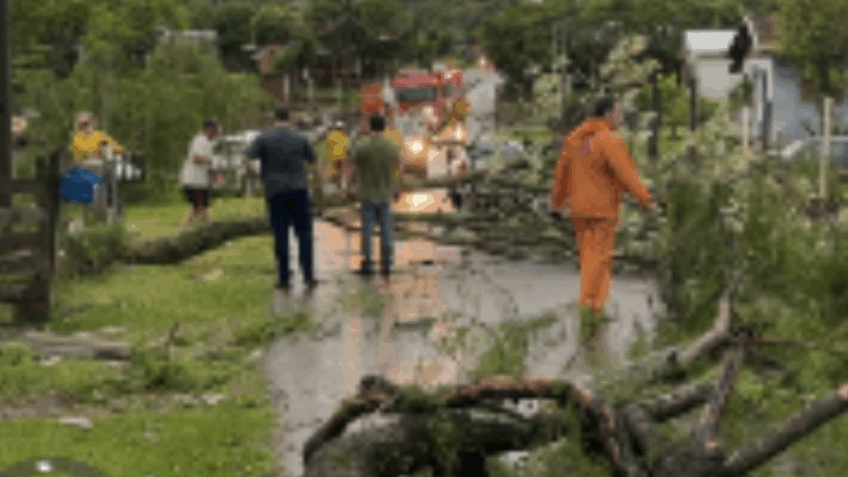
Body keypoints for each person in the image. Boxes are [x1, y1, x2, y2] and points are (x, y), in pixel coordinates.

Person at [550, 97, 658, 318]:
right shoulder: (610, 140)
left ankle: (590, 305)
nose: (622, 116)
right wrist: (647, 201)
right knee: (600, 259)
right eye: (619, 112)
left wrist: (556, 205)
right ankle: (591, 306)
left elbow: (562, 174)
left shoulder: (573, 139)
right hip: (603, 209)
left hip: (579, 209)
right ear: (608, 114)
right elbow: (628, 175)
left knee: (588, 256)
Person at [246, 105, 319, 291]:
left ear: (274, 118)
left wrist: (259, 175)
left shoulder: (264, 137)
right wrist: (317, 187)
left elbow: (247, 158)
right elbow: (315, 163)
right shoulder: (301, 137)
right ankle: (309, 275)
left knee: (280, 234)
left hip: (275, 191)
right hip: (299, 189)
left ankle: (284, 277)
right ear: (290, 118)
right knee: (304, 234)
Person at [345, 114, 404, 277]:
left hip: (367, 194)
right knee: (386, 230)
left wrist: (348, 188)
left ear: (370, 126)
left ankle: (368, 262)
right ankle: (386, 262)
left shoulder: (362, 146)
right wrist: (398, 188)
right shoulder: (391, 146)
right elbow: (400, 167)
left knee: (367, 230)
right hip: (385, 194)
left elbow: (353, 168)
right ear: (384, 127)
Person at [180, 118, 221, 227]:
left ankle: (191, 229)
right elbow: (196, 158)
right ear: (210, 129)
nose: (218, 132)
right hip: (194, 181)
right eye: (217, 129)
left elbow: (208, 164)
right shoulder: (200, 140)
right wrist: (211, 161)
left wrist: (215, 174)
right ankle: (205, 228)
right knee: (200, 208)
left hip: (201, 181)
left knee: (199, 208)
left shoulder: (209, 143)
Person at [324, 121, 349, 189]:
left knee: (335, 171)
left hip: (334, 157)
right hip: (343, 156)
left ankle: (336, 185)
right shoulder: (345, 135)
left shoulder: (330, 135)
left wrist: (328, 157)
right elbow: (347, 145)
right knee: (341, 171)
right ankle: (340, 185)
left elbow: (327, 147)